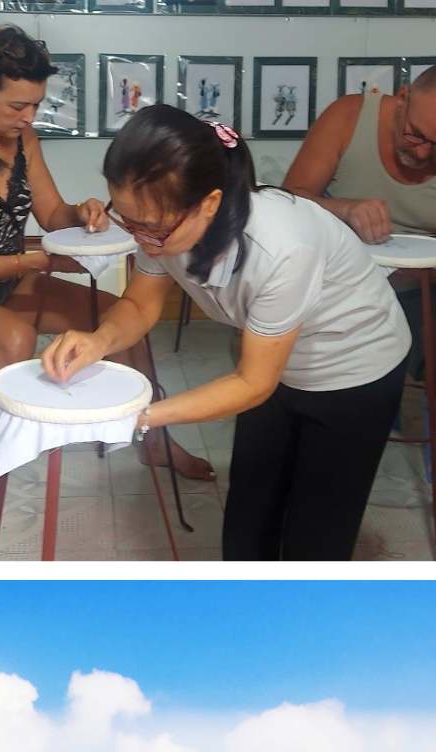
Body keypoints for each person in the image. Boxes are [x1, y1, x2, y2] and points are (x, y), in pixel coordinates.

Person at [40, 106, 412, 560]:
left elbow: (252, 383)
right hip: (274, 364)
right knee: (250, 514)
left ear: (210, 204)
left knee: (317, 537)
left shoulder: (280, 247)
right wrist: (98, 341)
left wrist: (140, 416)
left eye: (150, 228)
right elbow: (139, 305)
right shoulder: (163, 225)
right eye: (127, 219)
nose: (139, 237)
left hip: (355, 368)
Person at [0, 26, 209, 478]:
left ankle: (155, 440)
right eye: (17, 106)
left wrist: (81, 212)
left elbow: (52, 213)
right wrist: (35, 261)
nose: (29, 117)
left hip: (10, 280)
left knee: (118, 321)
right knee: (13, 339)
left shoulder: (23, 139)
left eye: (36, 104)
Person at [284, 61, 436, 533]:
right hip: (342, 284)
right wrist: (346, 210)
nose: (423, 152)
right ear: (404, 96)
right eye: (415, 135)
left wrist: (413, 269)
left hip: (427, 288)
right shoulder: (350, 116)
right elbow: (290, 198)